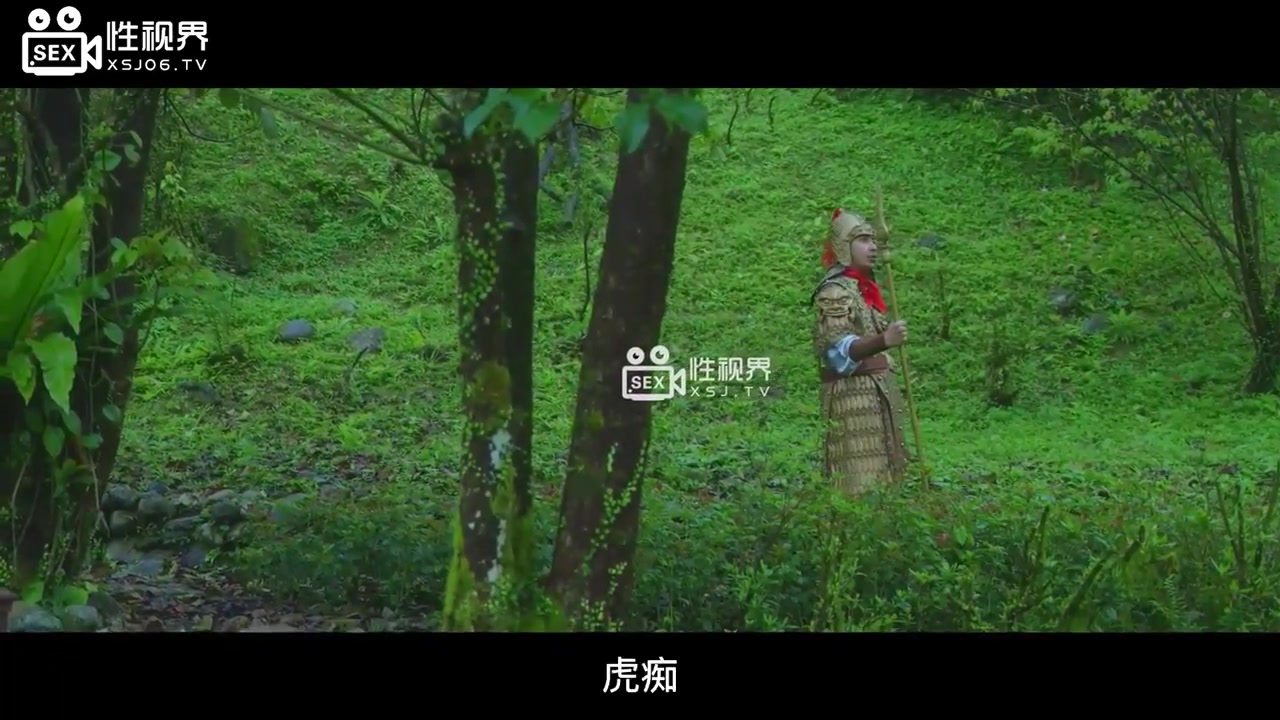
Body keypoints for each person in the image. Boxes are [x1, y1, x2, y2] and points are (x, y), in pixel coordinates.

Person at [811, 208, 911, 495]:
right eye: (864, 240)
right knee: (857, 482)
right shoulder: (834, 293)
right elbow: (835, 352)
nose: (873, 247)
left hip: (878, 395)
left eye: (873, 240)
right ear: (844, 246)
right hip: (853, 399)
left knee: (888, 481)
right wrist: (883, 341)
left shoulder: (862, 290)